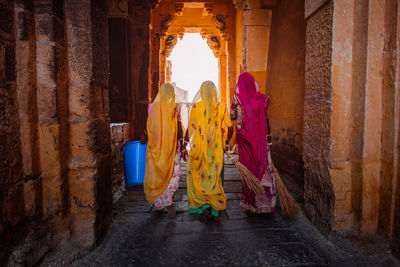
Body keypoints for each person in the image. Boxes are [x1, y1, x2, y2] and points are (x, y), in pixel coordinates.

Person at [181, 81, 233, 221]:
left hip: (199, 149)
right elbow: (230, 126)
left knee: (201, 175)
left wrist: (184, 147)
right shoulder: (221, 106)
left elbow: (190, 129)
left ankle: (202, 205)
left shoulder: (196, 107)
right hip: (216, 150)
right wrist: (226, 142)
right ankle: (214, 206)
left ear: (202, 92)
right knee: (214, 175)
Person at [230, 72, 276, 216]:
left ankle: (250, 203)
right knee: (263, 166)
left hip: (244, 140)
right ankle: (264, 205)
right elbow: (266, 119)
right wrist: (268, 136)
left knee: (248, 168)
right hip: (260, 139)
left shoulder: (237, 98)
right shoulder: (262, 99)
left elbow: (232, 116)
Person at [143, 83, 183, 219]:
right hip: (172, 148)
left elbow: (149, 126)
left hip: (156, 148)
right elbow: (179, 128)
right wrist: (182, 146)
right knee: (172, 174)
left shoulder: (152, 107)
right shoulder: (174, 108)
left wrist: (145, 136)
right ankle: (168, 201)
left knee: (156, 174)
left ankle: (158, 202)